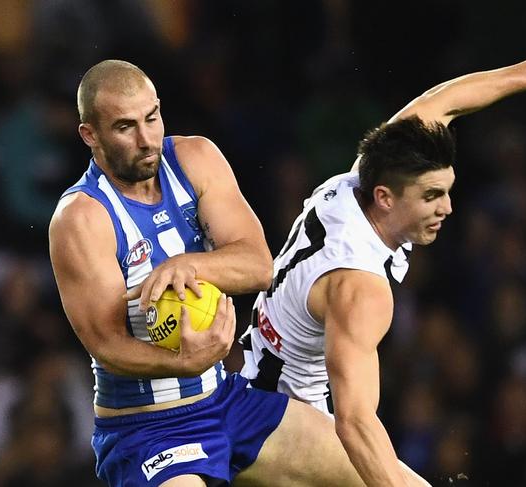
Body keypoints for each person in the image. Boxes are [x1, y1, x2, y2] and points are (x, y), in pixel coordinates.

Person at [240, 6, 526, 487]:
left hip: (259, 394)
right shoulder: (361, 286)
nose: (448, 209)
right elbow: (354, 425)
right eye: (432, 196)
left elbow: (441, 102)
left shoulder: (367, 171)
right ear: (386, 198)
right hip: (280, 423)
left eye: (448, 191)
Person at [49, 60, 410, 487]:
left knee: (387, 477)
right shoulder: (81, 218)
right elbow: (106, 345)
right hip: (147, 431)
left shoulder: (195, 158)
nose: (147, 139)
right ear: (90, 135)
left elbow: (259, 266)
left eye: (152, 118)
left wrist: (186, 265)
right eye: (125, 127)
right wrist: (185, 363)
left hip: (226, 402)